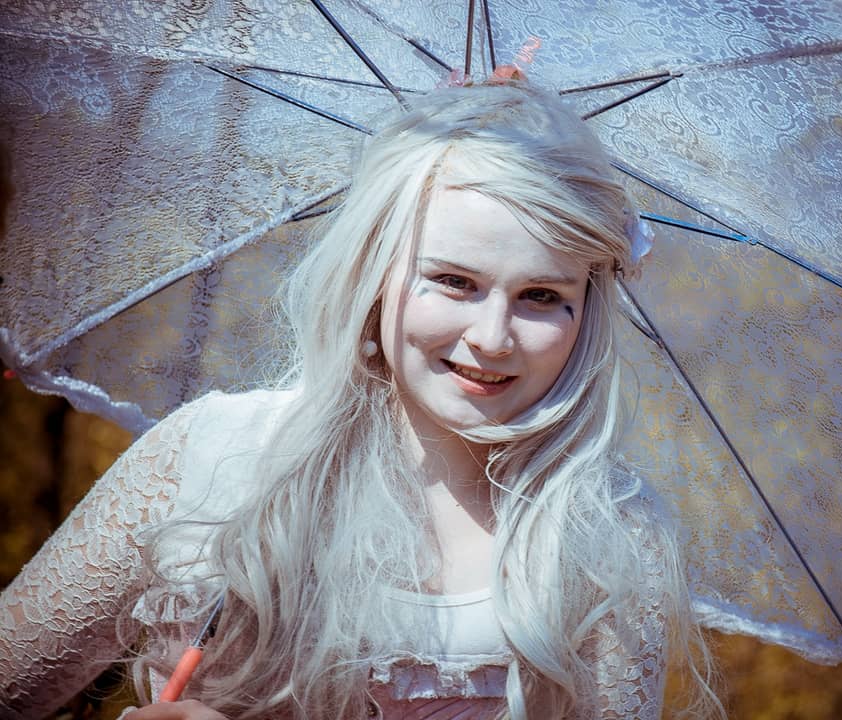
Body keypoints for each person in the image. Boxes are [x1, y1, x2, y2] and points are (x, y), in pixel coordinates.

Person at [0, 81, 721, 719]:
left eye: (540, 295)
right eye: (455, 282)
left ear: (585, 311)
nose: (493, 337)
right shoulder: (210, 459)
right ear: (373, 274)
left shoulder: (611, 539)